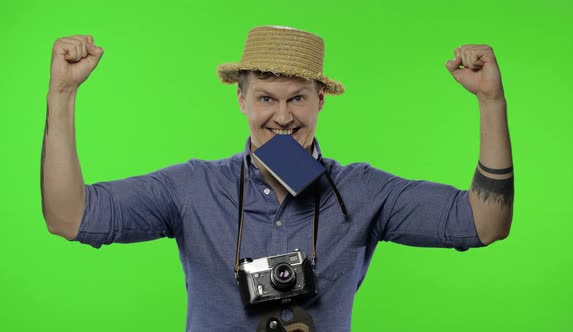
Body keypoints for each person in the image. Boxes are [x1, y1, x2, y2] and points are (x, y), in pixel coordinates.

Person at [41, 26, 514, 331]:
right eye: (266, 98)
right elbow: (68, 217)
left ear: (320, 101)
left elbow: (484, 223)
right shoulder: (191, 189)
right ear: (241, 100)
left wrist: (491, 102)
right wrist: (62, 93)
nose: (283, 117)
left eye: (298, 99)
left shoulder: (362, 192)